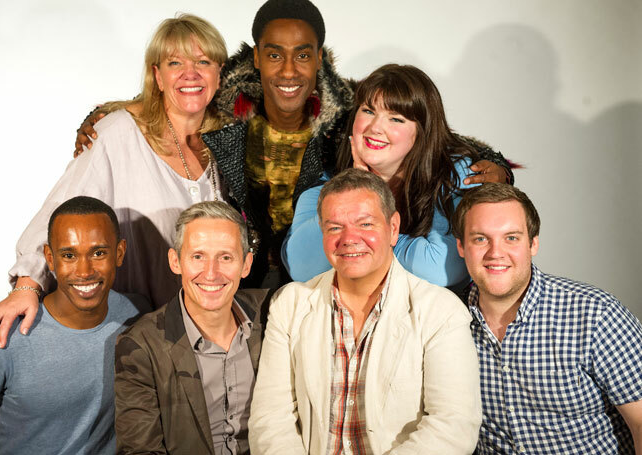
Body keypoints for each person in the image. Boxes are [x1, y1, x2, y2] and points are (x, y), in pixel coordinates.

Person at [74, 0, 513, 289]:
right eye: (274, 54)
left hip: (330, 267)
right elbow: (178, 93)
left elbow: (426, 130)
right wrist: (109, 113)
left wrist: (493, 163)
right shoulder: (227, 98)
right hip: (249, 270)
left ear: (319, 57)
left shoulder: (349, 108)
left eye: (303, 54)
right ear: (257, 54)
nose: (288, 70)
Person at [0, 14, 228, 348]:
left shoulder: (229, 142)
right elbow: (61, 213)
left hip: (210, 335)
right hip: (134, 337)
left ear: (220, 73)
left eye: (203, 61)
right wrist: (26, 284)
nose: (190, 73)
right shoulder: (116, 134)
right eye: (175, 62)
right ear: (157, 76)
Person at [249, 169, 481, 454]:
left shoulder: (441, 312)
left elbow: (453, 428)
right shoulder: (290, 305)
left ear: (393, 228)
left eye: (366, 224)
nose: (349, 238)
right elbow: (270, 421)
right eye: (334, 227)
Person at [0, 196, 146, 455]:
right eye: (69, 255)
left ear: (119, 253)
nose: (84, 271)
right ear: (49, 258)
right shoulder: (1, 336)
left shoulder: (138, 315)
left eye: (98, 253)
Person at [453, 183, 642, 454]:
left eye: (512, 238)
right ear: (461, 246)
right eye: (480, 239)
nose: (496, 253)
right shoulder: (447, 321)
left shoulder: (595, 315)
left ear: (533, 244)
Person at [285, 64, 484, 289]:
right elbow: (300, 268)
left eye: (396, 119)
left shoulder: (454, 175)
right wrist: (356, 196)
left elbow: (441, 269)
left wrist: (363, 242)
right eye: (368, 111)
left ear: (422, 132)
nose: (375, 128)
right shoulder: (324, 184)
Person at [114, 201, 272, 454]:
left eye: (226, 257)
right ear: (175, 261)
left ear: (246, 265)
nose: (211, 273)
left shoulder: (274, 313)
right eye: (198, 256)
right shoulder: (141, 345)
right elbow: (140, 450)